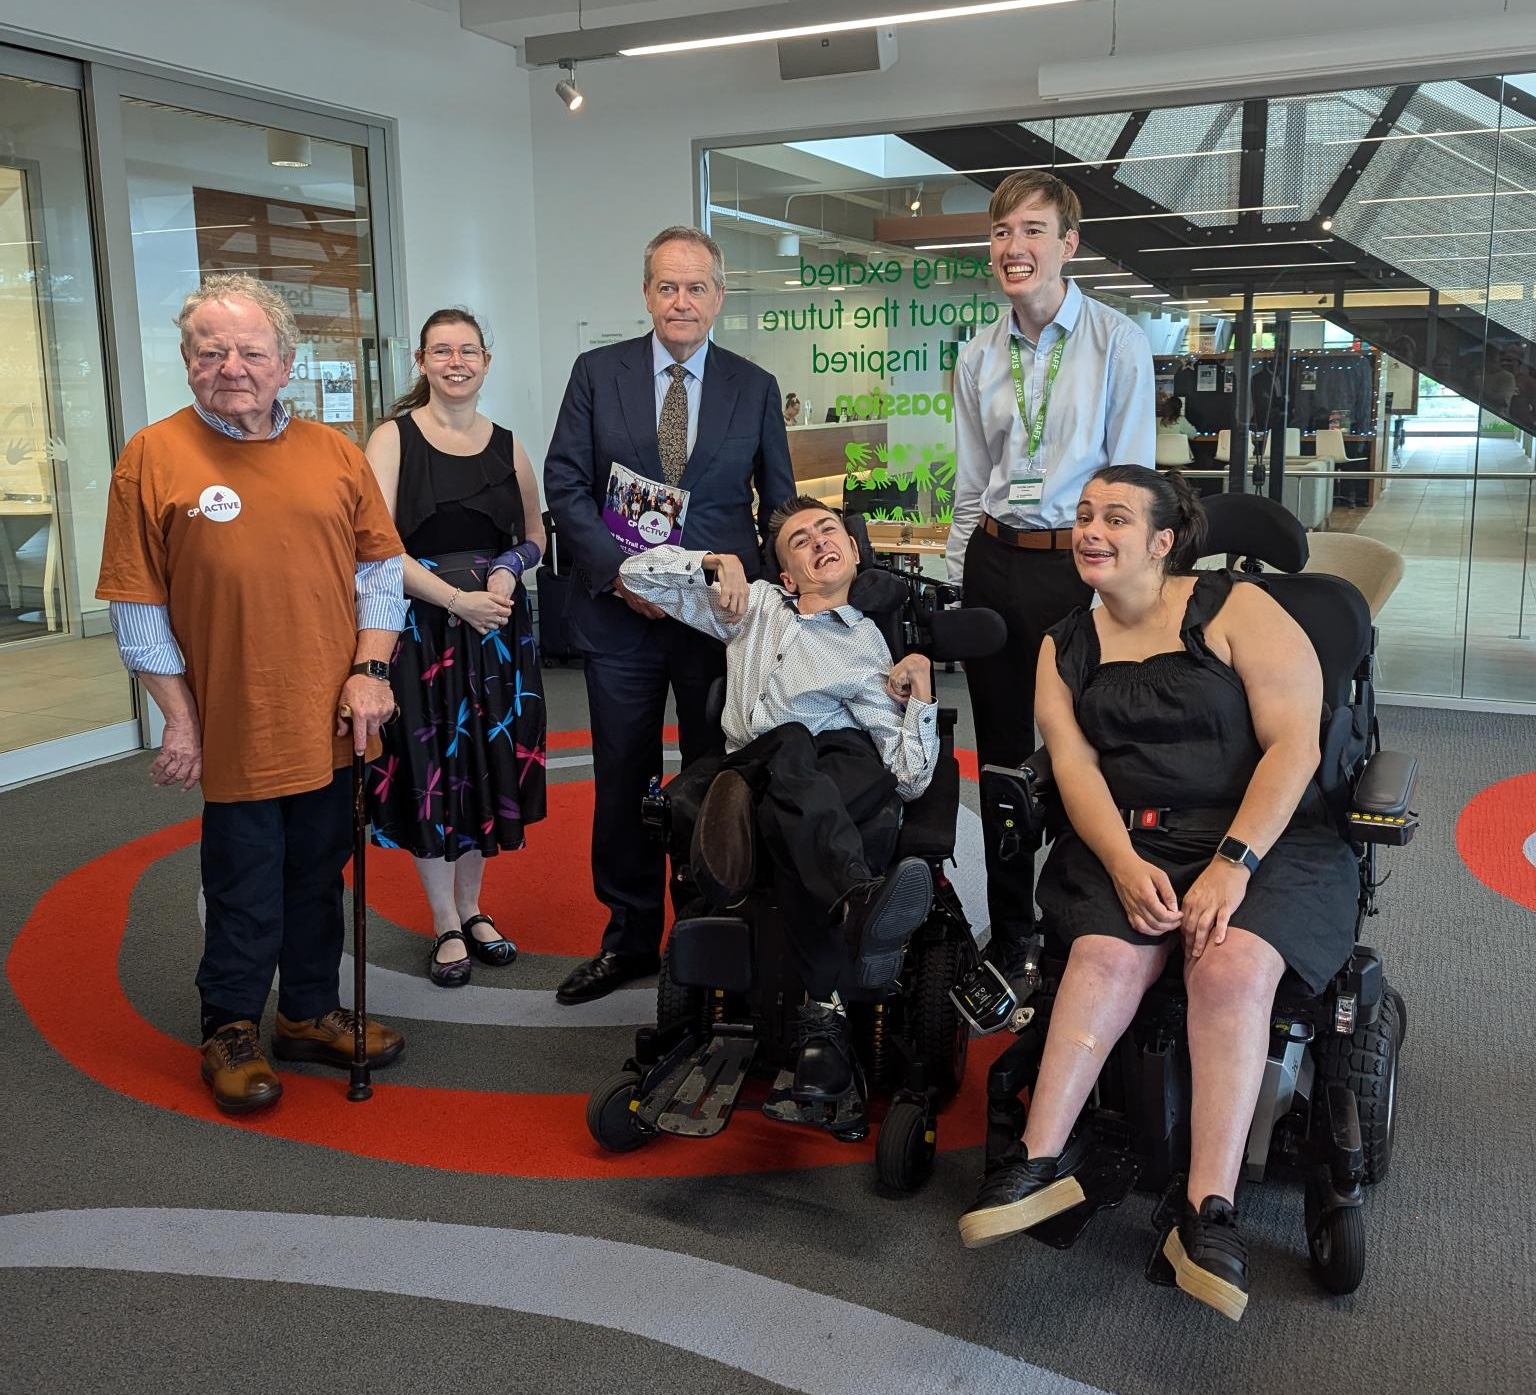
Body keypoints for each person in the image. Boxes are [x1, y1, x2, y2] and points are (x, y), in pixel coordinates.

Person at [956, 467, 1358, 1322]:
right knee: (1103, 954)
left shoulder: (1239, 610)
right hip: (1129, 836)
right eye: (1084, 515)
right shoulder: (1063, 641)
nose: (1090, 531)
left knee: (1230, 967)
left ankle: (1204, 1210)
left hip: (1266, 836)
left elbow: (1294, 745)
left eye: (1114, 518)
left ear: (1164, 541)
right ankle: (1040, 1161)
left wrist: (1233, 861)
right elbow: (1073, 766)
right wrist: (1121, 858)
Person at [95, 272, 408, 1115]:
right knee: (243, 879)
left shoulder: (336, 453)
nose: (231, 365)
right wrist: (180, 719)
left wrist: (369, 669)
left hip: (331, 713)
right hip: (234, 716)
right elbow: (137, 601)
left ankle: (306, 1012)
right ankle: (229, 1026)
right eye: (211, 350)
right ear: (189, 361)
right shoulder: (152, 455)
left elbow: (377, 570)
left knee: (318, 872)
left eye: (250, 350)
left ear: (286, 362)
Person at [544, 224, 796, 1006]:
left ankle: (705, 930)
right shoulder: (596, 373)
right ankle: (627, 937)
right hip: (620, 616)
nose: (680, 301)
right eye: (666, 286)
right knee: (621, 778)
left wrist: (764, 579)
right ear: (646, 293)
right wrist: (620, 573)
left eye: (695, 287)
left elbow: (776, 502)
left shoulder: (753, 387)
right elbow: (564, 483)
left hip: (713, 625)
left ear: (718, 296)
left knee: (712, 776)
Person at [617, 495, 937, 1098]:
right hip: (762, 757)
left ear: (853, 550)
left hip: (833, 769)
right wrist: (715, 563)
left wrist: (919, 690)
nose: (820, 540)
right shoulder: (755, 605)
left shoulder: (869, 642)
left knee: (817, 781)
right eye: (801, 539)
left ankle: (755, 809)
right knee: (786, 745)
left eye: (829, 529)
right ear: (787, 575)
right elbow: (637, 574)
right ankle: (831, 995)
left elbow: (912, 775)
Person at [945, 170, 1156, 973]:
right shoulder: (977, 354)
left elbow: (1134, 484)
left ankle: (1082, 924)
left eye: (1032, 231)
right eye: (1001, 233)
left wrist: (1127, 587)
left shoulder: (1116, 341)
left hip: (1083, 568)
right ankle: (1012, 932)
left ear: (1069, 245)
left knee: (1086, 750)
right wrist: (965, 577)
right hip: (997, 560)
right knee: (1001, 756)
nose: (1013, 248)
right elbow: (972, 485)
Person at [361, 308, 546, 987]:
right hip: (424, 629)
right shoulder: (393, 438)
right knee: (434, 769)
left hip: (496, 632)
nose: (456, 360)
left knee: (486, 767)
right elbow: (378, 546)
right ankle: (443, 920)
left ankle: (473, 908)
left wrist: (507, 568)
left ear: (486, 361)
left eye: (468, 349)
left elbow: (535, 534)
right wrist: (455, 598)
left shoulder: (508, 445)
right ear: (422, 361)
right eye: (442, 350)